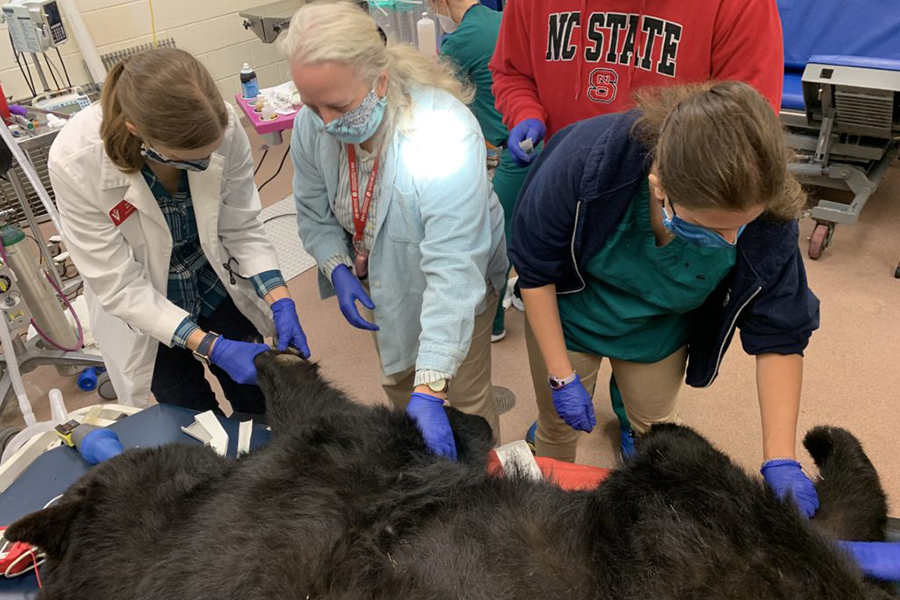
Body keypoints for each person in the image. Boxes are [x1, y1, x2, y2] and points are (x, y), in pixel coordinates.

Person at [511, 82, 821, 517]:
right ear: (660, 187)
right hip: (570, 314)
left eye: (741, 227)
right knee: (557, 428)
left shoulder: (769, 213)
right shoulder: (584, 160)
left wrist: (780, 457)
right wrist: (561, 377)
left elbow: (780, 331)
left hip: (660, 331)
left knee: (653, 432)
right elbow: (535, 269)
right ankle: (546, 507)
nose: (731, 242)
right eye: (712, 229)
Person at [281, 2, 508, 458]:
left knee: (463, 399)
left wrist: (433, 384)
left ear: (380, 81)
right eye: (311, 105)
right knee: (403, 385)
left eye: (338, 105)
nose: (324, 122)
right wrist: (337, 266)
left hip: (457, 280)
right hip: (381, 274)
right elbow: (311, 209)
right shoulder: (313, 124)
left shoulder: (442, 132)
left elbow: (453, 266)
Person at [48, 48, 309, 412]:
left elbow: (241, 226)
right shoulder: (76, 161)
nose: (205, 166)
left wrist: (280, 297)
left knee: (259, 399)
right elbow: (119, 283)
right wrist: (208, 345)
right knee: (190, 411)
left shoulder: (223, 126)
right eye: (191, 162)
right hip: (144, 297)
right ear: (136, 131)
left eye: (209, 156)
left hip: (211, 274)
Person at [489, 0, 784, 165]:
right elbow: (513, 72)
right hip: (565, 176)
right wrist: (524, 113)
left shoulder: (741, 5)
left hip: (678, 196)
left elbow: (748, 119)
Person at [431, 0, 532, 341]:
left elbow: (438, 94)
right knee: (531, 227)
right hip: (535, 140)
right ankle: (526, 292)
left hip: (507, 153)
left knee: (493, 239)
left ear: (439, 4)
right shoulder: (502, 19)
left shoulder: (459, 42)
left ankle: (494, 324)